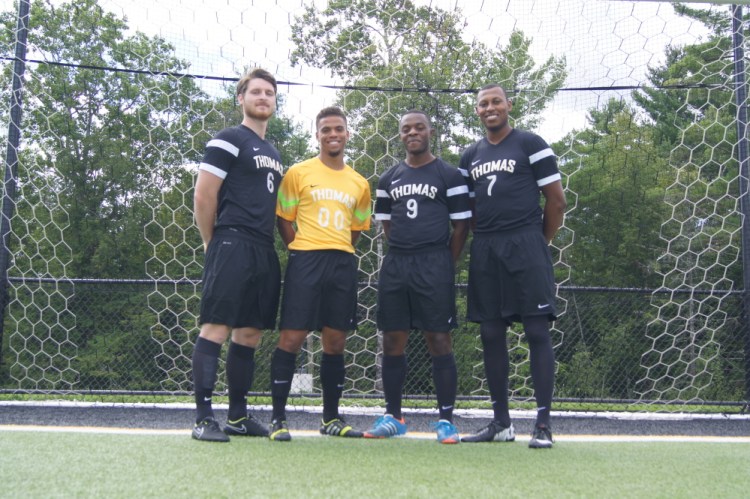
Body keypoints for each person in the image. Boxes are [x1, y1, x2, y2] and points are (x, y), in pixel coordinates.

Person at [458, 84, 566, 449]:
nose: (490, 108)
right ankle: (501, 423)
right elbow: (469, 212)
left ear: (508, 106)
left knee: (536, 330)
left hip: (526, 244)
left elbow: (557, 201)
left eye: (496, 102)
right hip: (487, 249)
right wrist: (487, 239)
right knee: (490, 334)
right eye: (483, 104)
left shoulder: (530, 144)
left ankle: (544, 424)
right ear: (477, 111)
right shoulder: (468, 155)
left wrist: (539, 243)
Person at [364, 111, 470, 444]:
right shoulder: (387, 178)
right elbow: (387, 227)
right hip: (397, 265)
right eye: (406, 128)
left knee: (439, 339)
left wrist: (443, 261)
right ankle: (394, 416)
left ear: (430, 132)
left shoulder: (450, 175)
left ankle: (446, 420)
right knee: (393, 340)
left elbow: (462, 226)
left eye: (419, 127)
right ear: (400, 136)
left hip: (434, 264)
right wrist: (404, 252)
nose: (413, 132)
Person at [190, 68, 284, 442]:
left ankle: (238, 416)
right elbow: (203, 194)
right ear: (240, 99)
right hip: (231, 241)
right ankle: (202, 419)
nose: (263, 97)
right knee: (216, 326)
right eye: (256, 91)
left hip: (263, 249)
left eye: (269, 93)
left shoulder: (274, 153)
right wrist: (212, 244)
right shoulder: (228, 139)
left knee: (249, 334)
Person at [268, 106, 372, 441]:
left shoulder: (359, 183)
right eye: (326, 129)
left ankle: (331, 419)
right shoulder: (298, 173)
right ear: (317, 135)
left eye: (338, 129)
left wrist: (337, 245)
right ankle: (278, 419)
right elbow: (284, 218)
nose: (333, 134)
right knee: (292, 338)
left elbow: (357, 228)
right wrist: (298, 250)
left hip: (341, 264)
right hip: (306, 261)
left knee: (336, 341)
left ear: (347, 134)